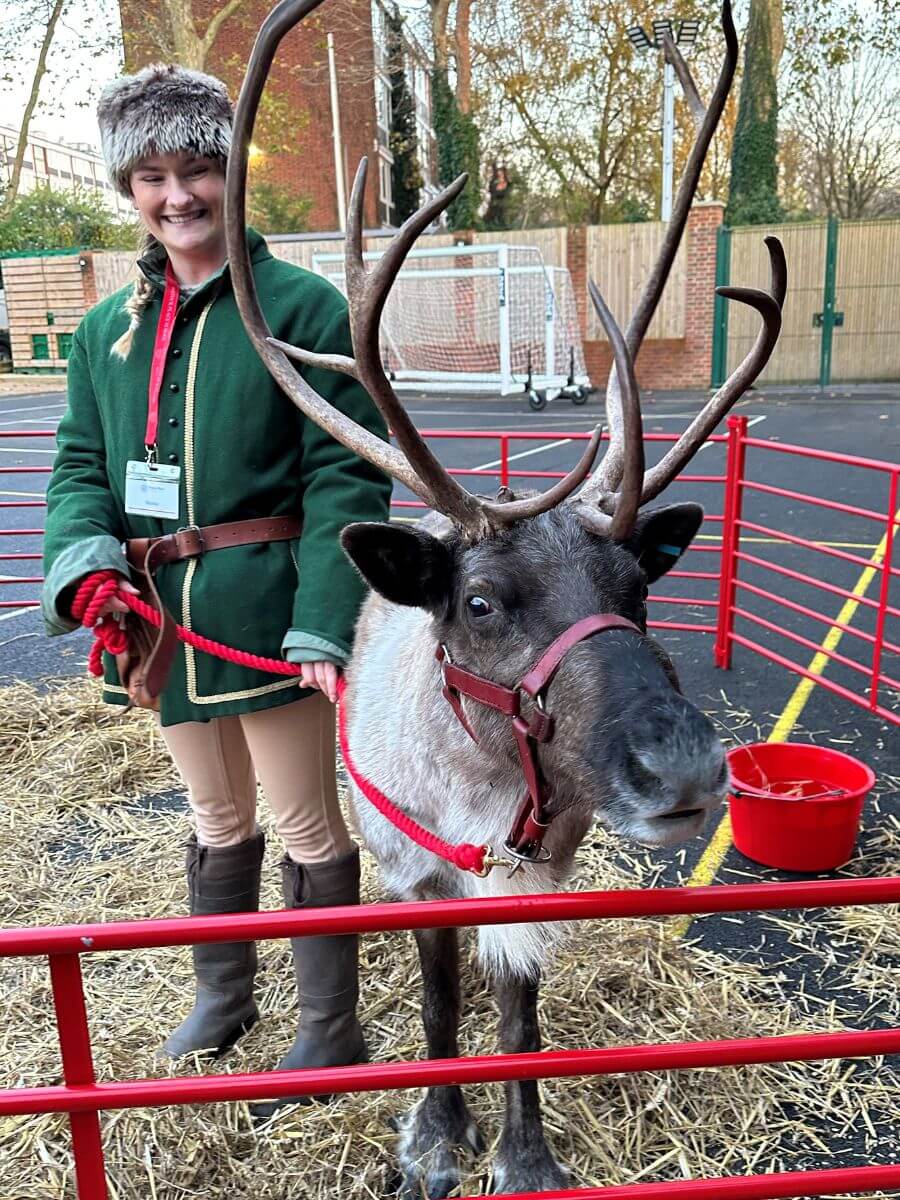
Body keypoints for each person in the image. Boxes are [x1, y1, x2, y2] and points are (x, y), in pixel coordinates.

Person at [40, 64, 392, 1109]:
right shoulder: (104, 330)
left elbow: (347, 473)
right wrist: (87, 566)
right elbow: (78, 469)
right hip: (155, 625)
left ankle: (331, 1027)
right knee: (213, 813)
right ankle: (224, 990)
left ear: (231, 175)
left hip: (269, 620)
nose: (177, 195)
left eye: (198, 169)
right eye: (151, 175)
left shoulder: (300, 304)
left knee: (306, 824)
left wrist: (324, 624)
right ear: (129, 188)